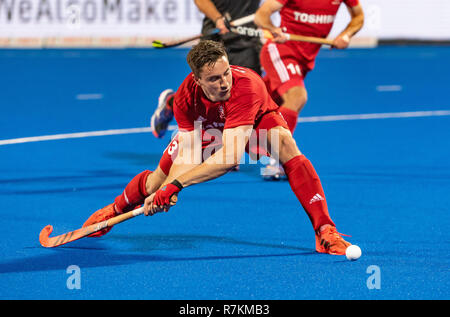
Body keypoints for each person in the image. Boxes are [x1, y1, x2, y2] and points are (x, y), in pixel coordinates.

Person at [83, 40, 353, 255]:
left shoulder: (245, 86)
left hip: (253, 120)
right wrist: (170, 186)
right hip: (208, 127)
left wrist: (176, 186)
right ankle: (115, 209)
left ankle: (325, 229)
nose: (224, 82)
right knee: (156, 182)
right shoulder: (185, 99)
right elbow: (188, 152)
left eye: (225, 73)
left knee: (285, 144)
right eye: (214, 79)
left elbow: (229, 158)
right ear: (197, 80)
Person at [255, 0, 364, 178]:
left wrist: (346, 35)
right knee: (297, 97)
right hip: (281, 50)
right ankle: (277, 159)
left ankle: (217, 136)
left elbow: (358, 15)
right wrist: (273, 29)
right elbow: (262, 14)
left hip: (304, 60)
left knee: (260, 102)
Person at [150, 0, 263, 139]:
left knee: (249, 95)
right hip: (216, 37)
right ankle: (172, 103)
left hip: (247, 39)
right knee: (206, 99)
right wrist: (217, 18)